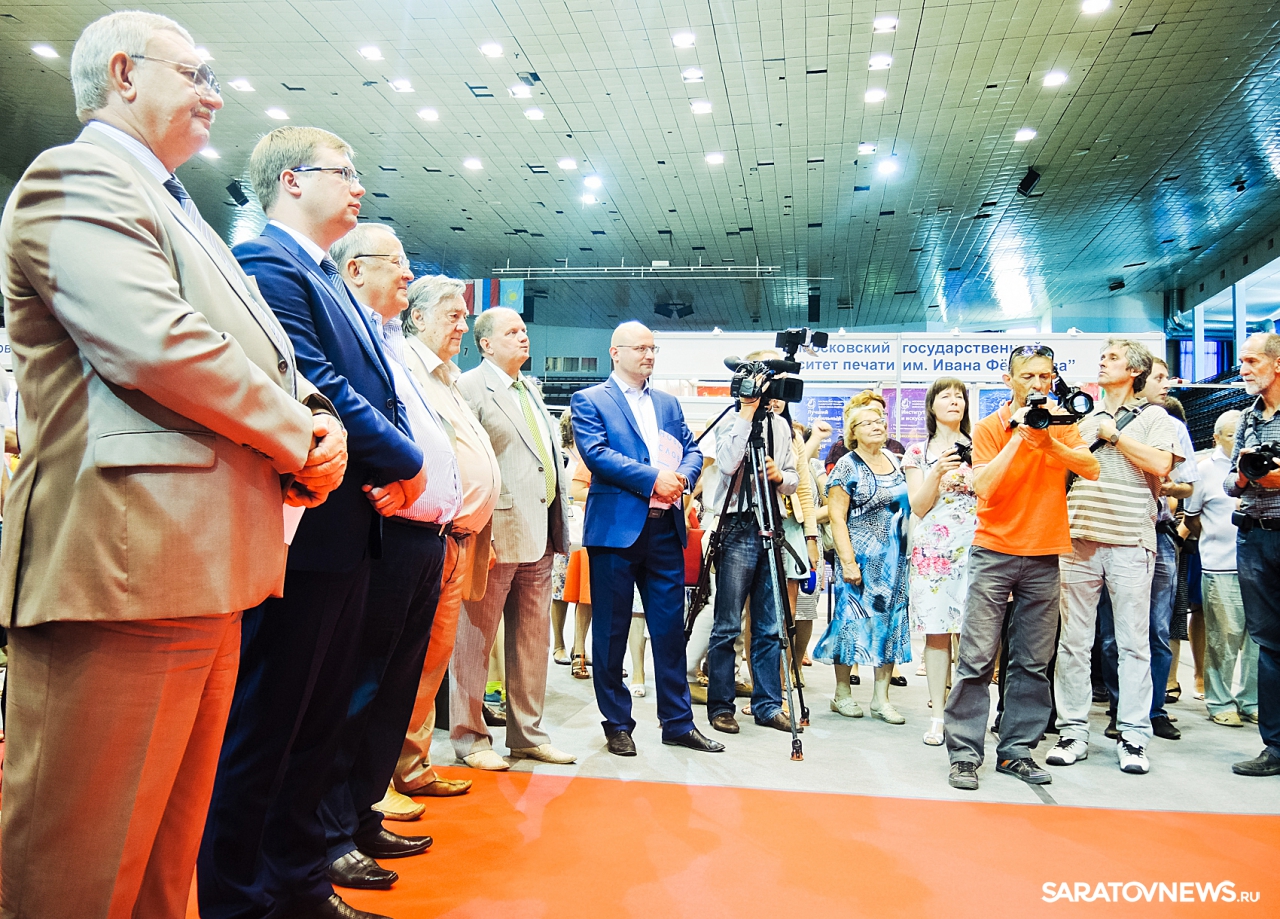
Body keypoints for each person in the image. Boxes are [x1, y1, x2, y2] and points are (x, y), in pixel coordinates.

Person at [0, 12, 347, 918]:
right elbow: (159, 345)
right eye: (196, 73)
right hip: (126, 571)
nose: (214, 95)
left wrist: (316, 415)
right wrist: (297, 434)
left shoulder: (174, 204)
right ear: (123, 73)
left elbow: (260, 350)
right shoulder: (78, 176)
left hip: (200, 569)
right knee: (80, 875)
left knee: (162, 869)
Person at [199, 126, 426, 919]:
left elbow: (379, 393)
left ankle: (299, 884)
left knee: (317, 725)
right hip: (304, 534)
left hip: (348, 533)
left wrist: (399, 463)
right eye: (344, 171)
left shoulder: (325, 273)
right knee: (267, 728)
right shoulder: (268, 262)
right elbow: (317, 379)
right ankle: (240, 899)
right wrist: (407, 459)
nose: (359, 185)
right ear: (292, 180)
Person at [318, 226, 460, 891]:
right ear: (355, 270)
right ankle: (332, 829)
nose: (407, 274)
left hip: (424, 536)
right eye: (395, 264)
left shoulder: (392, 343)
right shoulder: (357, 340)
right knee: (360, 688)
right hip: (387, 529)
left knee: (393, 692)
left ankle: (361, 811)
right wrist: (404, 470)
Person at [943, 345, 1099, 791]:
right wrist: (1018, 434)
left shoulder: (1061, 423)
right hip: (994, 551)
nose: (1037, 384)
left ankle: (1016, 750)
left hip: (1046, 553)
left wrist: (1048, 439)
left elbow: (1091, 468)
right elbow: (985, 486)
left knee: (1033, 661)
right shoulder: (990, 426)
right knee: (976, 658)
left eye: (1044, 376)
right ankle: (964, 754)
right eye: (1028, 376)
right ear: (1008, 380)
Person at [570, 321, 723, 755]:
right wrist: (654, 478)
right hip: (615, 533)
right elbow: (597, 455)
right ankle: (617, 723)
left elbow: (692, 451)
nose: (649, 355)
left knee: (669, 632)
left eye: (653, 348)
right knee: (611, 633)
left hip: (665, 530)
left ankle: (677, 723)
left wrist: (683, 478)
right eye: (640, 348)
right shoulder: (591, 400)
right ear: (615, 352)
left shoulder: (668, 403)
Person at [389, 275, 501, 802]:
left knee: (431, 662)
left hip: (457, 539)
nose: (462, 326)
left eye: (464, 316)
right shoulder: (405, 366)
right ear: (417, 317)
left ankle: (411, 764)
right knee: (402, 663)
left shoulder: (446, 376)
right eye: (453, 316)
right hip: (417, 533)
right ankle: (376, 781)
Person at [453, 307, 576, 769]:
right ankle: (470, 738)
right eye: (512, 332)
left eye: (524, 330)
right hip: (494, 534)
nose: (523, 337)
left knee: (531, 643)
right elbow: (464, 462)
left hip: (541, 535)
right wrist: (474, 530)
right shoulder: (469, 388)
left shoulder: (530, 389)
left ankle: (528, 735)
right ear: (485, 344)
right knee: (474, 642)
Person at [1050, 339, 1177, 777]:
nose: (1102, 363)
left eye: (1112, 358)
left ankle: (1134, 736)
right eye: (1102, 357)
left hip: (1130, 541)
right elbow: (1062, 467)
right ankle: (1072, 732)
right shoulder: (1082, 416)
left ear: (1135, 370)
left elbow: (1161, 466)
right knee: (1073, 642)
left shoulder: (1156, 417)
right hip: (1078, 537)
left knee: (1133, 644)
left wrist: (1114, 435)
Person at [1094, 356, 1196, 742]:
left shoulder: (1169, 425)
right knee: (1111, 633)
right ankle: (1119, 708)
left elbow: (1185, 482)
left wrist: (1167, 486)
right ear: (1139, 379)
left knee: (1155, 628)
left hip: (1157, 533)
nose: (1165, 384)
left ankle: (1153, 710)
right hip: (1109, 533)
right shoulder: (1098, 419)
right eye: (1160, 377)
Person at [705, 358, 802, 735]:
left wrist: (780, 477)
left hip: (771, 523)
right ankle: (721, 705)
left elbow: (793, 478)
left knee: (769, 624)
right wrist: (747, 411)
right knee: (727, 623)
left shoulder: (780, 426)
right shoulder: (731, 421)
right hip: (736, 524)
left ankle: (767, 704)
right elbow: (728, 464)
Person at [814, 403, 912, 723]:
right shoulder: (847, 465)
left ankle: (881, 699)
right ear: (852, 433)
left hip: (894, 562)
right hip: (859, 559)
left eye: (880, 420)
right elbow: (836, 517)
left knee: (890, 625)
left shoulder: (896, 461)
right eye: (867, 422)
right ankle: (842, 694)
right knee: (850, 624)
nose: (876, 425)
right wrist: (847, 562)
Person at [903, 377, 977, 746]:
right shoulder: (918, 452)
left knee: (974, 635)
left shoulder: (982, 445)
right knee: (936, 632)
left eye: (959, 396)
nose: (954, 401)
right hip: (933, 552)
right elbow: (918, 505)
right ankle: (937, 715)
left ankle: (967, 714)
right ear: (931, 405)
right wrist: (937, 470)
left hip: (977, 548)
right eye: (945, 396)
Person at [1225, 331, 1280, 777]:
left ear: (1277, 364)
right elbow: (1230, 482)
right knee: (1269, 644)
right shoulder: (1247, 417)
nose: (1243, 369)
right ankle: (1275, 748)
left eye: (1251, 361)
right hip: (1255, 538)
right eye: (1242, 361)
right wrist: (1246, 476)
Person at [1185, 410, 1257, 727]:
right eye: (1231, 434)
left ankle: (1251, 700)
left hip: (1259, 565)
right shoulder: (1204, 471)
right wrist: (1212, 539)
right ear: (1216, 438)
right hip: (1221, 566)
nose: (1238, 438)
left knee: (1258, 641)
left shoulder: (1261, 464)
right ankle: (1219, 701)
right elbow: (1192, 517)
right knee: (1223, 638)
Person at [551, 407, 594, 679]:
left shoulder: (592, 452)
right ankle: (558, 644)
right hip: (566, 525)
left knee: (584, 590)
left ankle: (581, 647)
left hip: (588, 527)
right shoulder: (563, 454)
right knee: (560, 589)